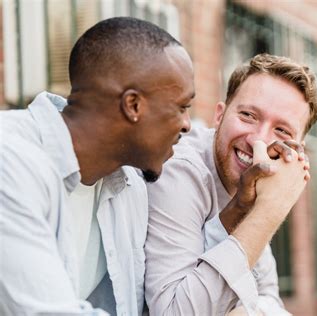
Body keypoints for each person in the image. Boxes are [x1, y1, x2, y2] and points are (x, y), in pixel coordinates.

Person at [0, 17, 194, 315]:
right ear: (133, 106)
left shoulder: (128, 184)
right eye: (182, 107)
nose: (187, 125)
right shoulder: (10, 160)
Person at [145, 53, 317, 315]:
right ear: (220, 115)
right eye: (249, 115)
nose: (258, 141)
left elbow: (270, 297)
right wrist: (269, 211)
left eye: (282, 131)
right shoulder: (180, 168)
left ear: (296, 153)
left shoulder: (256, 185)